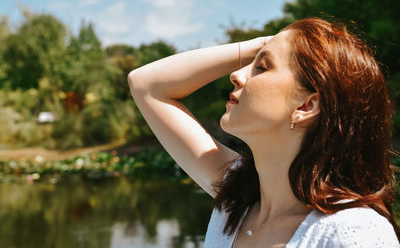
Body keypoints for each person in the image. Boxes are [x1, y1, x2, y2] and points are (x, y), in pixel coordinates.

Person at [128, 18, 400, 247]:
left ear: (306, 105)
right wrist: (263, 45)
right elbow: (145, 84)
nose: (236, 74)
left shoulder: (354, 233)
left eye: (262, 67)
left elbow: (148, 86)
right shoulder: (236, 200)